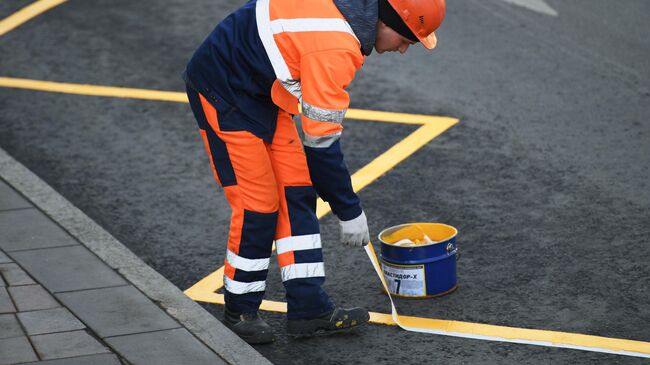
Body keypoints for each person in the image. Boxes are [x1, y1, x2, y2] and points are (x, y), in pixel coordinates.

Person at [184, 0, 445, 344]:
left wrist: (341, 202)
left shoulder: (352, 17)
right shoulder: (337, 45)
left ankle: (309, 310)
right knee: (258, 204)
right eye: (407, 39)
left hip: (262, 89)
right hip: (223, 89)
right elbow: (321, 145)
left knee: (296, 191)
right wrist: (348, 209)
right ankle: (240, 311)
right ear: (389, 20)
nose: (403, 50)